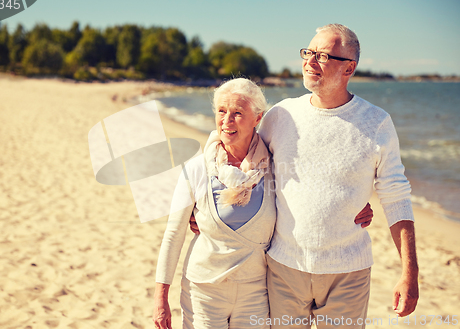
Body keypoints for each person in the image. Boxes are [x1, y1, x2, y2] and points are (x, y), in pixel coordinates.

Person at [153, 78, 374, 329]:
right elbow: (173, 235)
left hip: (256, 291)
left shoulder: (274, 166)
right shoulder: (197, 169)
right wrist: (161, 298)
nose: (227, 121)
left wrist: (355, 206)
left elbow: (315, 191)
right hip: (204, 290)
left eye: (238, 113)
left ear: (258, 118)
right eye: (222, 111)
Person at [258, 24, 419, 328]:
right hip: (283, 267)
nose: (309, 61)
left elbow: (396, 198)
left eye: (322, 56)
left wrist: (409, 275)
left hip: (348, 273)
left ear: (349, 68)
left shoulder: (376, 123)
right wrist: (205, 208)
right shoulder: (280, 116)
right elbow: (245, 163)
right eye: (308, 52)